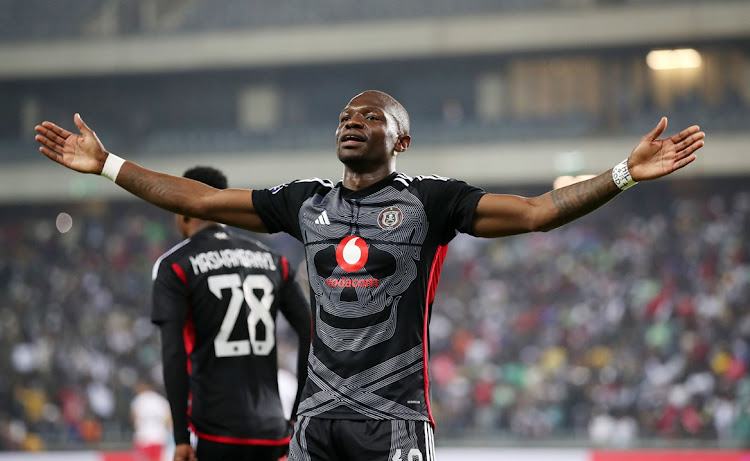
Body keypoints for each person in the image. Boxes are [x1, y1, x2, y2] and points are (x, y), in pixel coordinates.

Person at [35, 90, 705, 460]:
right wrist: (109, 165)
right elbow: (201, 201)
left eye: (371, 117)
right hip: (316, 418)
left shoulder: (433, 200)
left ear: (402, 140)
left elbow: (534, 213)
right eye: (345, 117)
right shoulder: (304, 201)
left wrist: (622, 173)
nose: (353, 123)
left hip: (394, 417)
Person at [150, 165, 311, 461]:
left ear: (182, 209)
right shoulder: (274, 260)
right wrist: (298, 415)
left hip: (212, 432)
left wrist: (181, 438)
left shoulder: (175, 265)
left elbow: (173, 353)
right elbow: (312, 331)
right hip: (273, 432)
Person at [130, 380, 172, 461]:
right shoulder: (161, 400)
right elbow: (169, 420)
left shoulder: (139, 399)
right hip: (160, 437)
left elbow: (133, 416)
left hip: (143, 437)